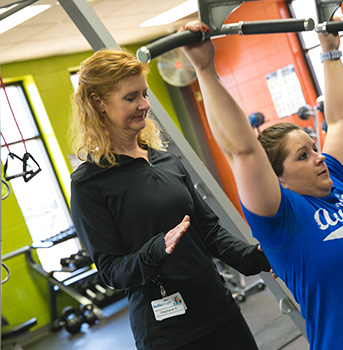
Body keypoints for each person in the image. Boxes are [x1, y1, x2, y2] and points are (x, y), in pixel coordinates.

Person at [181, 20, 343, 350]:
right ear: (278, 178)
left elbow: (342, 119)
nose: (319, 157)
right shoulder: (281, 220)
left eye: (314, 147)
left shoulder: (337, 183)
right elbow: (242, 149)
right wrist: (205, 68)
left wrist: (329, 49)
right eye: (303, 155)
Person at [69, 49, 272, 350]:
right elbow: (112, 271)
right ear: (99, 103)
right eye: (131, 98)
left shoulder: (167, 161)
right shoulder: (89, 183)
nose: (144, 105)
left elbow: (209, 230)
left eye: (145, 94)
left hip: (218, 308)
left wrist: (254, 257)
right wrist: (154, 251)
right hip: (169, 334)